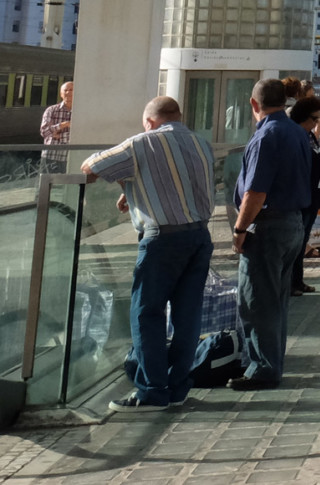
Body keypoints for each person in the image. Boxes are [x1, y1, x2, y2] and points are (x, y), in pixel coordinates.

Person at [81, 95, 215, 411]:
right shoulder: (201, 143)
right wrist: (134, 190)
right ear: (178, 117)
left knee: (146, 313)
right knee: (187, 315)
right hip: (200, 236)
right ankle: (179, 386)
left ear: (149, 121)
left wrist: (126, 179)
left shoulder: (140, 143)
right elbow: (176, 183)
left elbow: (90, 168)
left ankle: (152, 391)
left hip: (162, 239)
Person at [230, 78, 318, 390]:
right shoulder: (297, 131)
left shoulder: (266, 135)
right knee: (276, 300)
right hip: (294, 222)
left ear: (254, 105)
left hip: (268, 226)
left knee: (257, 301)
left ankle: (262, 369)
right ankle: (271, 362)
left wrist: (240, 229)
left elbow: (255, 191)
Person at [288, 97, 320, 296]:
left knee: (302, 241)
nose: (316, 123)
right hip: (304, 195)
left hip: (314, 194)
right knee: (296, 241)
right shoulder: (296, 135)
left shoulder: (309, 135)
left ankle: (297, 280)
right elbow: (305, 161)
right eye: (314, 118)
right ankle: (291, 282)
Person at [41, 79, 74, 147]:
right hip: (51, 154)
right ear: (61, 94)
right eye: (65, 90)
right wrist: (64, 124)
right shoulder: (51, 110)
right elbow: (44, 132)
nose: (68, 92)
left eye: (71, 90)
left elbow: (82, 135)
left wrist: (59, 136)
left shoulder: (82, 112)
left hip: (71, 156)